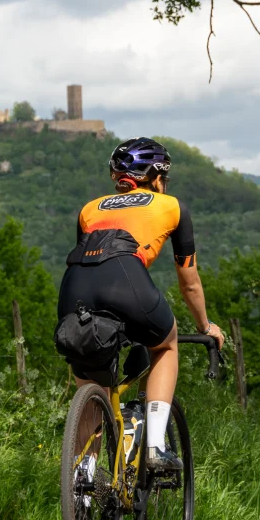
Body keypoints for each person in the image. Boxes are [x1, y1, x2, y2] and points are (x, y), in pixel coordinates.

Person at [58, 137, 225, 471]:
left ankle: (83, 479)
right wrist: (205, 326)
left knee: (94, 382)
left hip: (73, 289)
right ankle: (155, 446)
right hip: (125, 281)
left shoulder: (90, 209)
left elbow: (91, 263)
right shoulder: (171, 206)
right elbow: (189, 282)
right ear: (158, 177)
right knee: (165, 345)